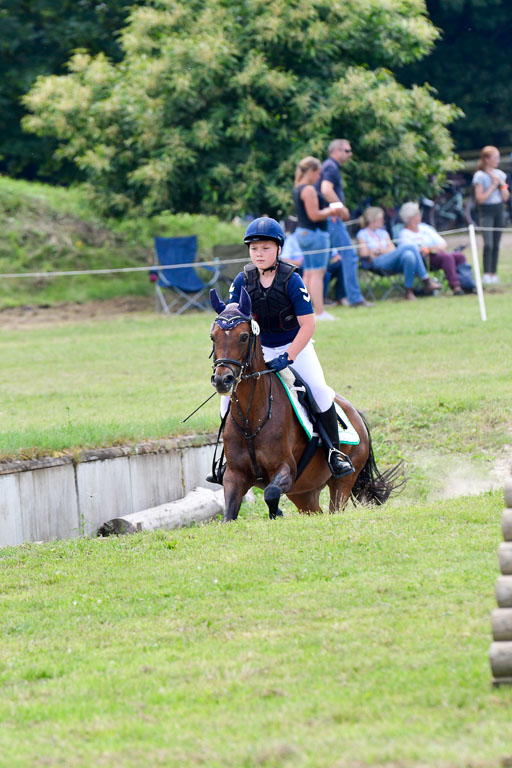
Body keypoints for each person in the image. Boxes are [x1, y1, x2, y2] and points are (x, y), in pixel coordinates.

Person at [220, 216, 354, 480]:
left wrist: (289, 356)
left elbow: (309, 325)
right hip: (259, 351)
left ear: (279, 249)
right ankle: (226, 459)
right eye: (254, 249)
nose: (259, 254)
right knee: (226, 400)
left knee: (319, 391)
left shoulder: (291, 280)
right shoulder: (241, 280)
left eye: (265, 248)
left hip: (296, 347)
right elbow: (233, 321)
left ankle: (333, 453)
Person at [316, 139, 373, 308]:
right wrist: (341, 208)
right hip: (332, 219)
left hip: (326, 220)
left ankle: (334, 297)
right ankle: (355, 298)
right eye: (347, 151)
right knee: (348, 256)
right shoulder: (331, 167)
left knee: (324, 261)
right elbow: (326, 189)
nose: (350, 154)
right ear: (336, 151)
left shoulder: (327, 166)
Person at [293, 156, 344, 320]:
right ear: (312, 171)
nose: (319, 177)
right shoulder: (308, 190)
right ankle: (319, 312)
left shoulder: (298, 188)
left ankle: (304, 311)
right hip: (314, 234)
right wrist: (333, 210)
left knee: (308, 274)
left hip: (303, 233)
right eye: (318, 173)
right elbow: (314, 215)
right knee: (317, 274)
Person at [356, 207, 441, 300]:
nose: (383, 221)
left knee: (409, 256)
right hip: (375, 263)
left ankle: (409, 291)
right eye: (381, 219)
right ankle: (426, 280)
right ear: (373, 220)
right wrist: (382, 250)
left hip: (389, 260)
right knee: (410, 247)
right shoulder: (362, 234)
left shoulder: (383, 233)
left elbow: (392, 249)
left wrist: (377, 251)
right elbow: (364, 254)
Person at [398, 202, 469, 295]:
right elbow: (414, 251)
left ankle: (467, 284)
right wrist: (431, 249)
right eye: (418, 214)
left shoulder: (425, 228)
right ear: (411, 218)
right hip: (423, 260)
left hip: (438, 254)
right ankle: (456, 287)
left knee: (459, 256)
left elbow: (443, 243)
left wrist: (431, 248)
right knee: (447, 258)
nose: (420, 215)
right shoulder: (404, 234)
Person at [472, 146, 510, 284]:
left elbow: (505, 197)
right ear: (486, 159)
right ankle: (486, 274)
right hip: (486, 211)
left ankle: (494, 273)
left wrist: (501, 184)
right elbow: (480, 199)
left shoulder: (500, 174)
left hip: (499, 210)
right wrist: (493, 185)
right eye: (495, 157)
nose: (497, 160)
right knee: (488, 243)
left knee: (496, 243)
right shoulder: (479, 176)